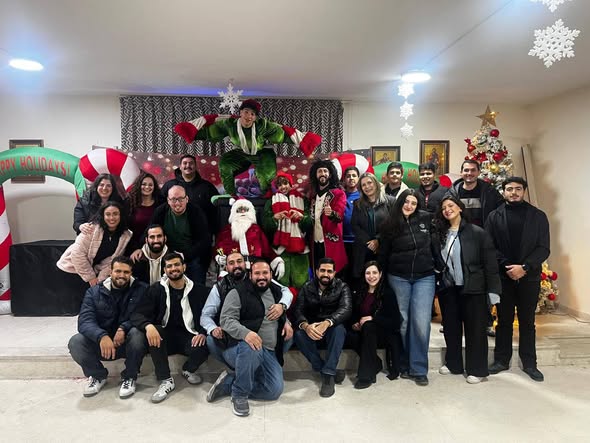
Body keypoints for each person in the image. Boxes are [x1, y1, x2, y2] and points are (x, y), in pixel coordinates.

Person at [175, 99, 321, 195]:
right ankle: (231, 195)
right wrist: (193, 133)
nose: (248, 116)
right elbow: (211, 132)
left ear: (255, 117)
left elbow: (282, 136)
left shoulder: (263, 126)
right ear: (240, 113)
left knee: (266, 175)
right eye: (246, 112)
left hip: (263, 152)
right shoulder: (229, 125)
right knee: (225, 163)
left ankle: (266, 197)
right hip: (242, 152)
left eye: (252, 114)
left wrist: (301, 141)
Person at [485, 177, 550, 382]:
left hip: (529, 277)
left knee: (527, 322)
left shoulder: (538, 216)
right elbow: (489, 246)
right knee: (503, 320)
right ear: (503, 192)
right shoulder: (494, 217)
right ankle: (501, 360)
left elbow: (544, 248)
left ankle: (530, 363)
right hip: (504, 277)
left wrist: (525, 267)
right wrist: (508, 266)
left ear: (524, 191)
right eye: (509, 189)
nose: (513, 192)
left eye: (518, 189)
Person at [206, 259, 288, 417]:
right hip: (241, 347)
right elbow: (226, 320)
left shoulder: (277, 292)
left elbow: (280, 312)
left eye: (265, 273)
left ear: (271, 275)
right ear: (250, 275)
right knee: (252, 347)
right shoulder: (237, 293)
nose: (261, 276)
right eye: (257, 273)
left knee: (274, 390)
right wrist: (246, 333)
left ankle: (229, 383)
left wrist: (287, 322)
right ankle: (239, 394)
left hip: (270, 350)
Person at [433, 195, 501, 384]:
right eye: (444, 208)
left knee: (476, 330)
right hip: (449, 289)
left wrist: (493, 290)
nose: (447, 210)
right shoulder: (440, 233)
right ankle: (453, 363)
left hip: (473, 288)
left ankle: (477, 369)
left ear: (460, 208)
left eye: (451, 206)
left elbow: (490, 263)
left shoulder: (477, 233)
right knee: (451, 328)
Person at [378, 189, 439, 386]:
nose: (409, 206)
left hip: (424, 277)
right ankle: (404, 363)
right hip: (398, 277)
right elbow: (384, 253)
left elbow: (435, 245)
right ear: (400, 202)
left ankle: (419, 368)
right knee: (403, 322)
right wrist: (380, 276)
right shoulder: (389, 223)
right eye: (406, 202)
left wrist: (439, 267)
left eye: (414, 203)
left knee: (421, 323)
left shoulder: (426, 219)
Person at [131, 252, 210, 403]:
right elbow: (138, 313)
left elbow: (210, 315)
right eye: (169, 266)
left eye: (177, 265)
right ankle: (166, 380)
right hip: (164, 336)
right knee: (155, 332)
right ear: (164, 270)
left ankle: (188, 369)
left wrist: (202, 332)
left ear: (184, 267)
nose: (173, 269)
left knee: (206, 344)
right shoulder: (156, 289)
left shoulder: (199, 290)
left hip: (189, 335)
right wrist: (148, 326)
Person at [68, 256, 148, 398]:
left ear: (131, 273)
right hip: (103, 344)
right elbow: (85, 321)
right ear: (110, 272)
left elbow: (144, 315)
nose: (122, 275)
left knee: (138, 334)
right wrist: (101, 336)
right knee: (76, 342)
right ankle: (98, 376)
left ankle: (130, 377)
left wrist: (123, 328)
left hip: (128, 343)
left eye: (126, 272)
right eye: (118, 271)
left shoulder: (142, 289)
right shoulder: (94, 292)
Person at [200, 251, 293, 364]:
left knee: (287, 335)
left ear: (245, 264)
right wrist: (213, 328)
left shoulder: (257, 276)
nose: (236, 265)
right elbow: (206, 315)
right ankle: (236, 369)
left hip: (259, 328)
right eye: (231, 263)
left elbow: (284, 291)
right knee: (211, 340)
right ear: (226, 267)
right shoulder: (219, 287)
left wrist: (283, 314)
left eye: (239, 261)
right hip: (233, 332)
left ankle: (266, 366)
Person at [450, 159, 504, 337]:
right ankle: (456, 321)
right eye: (466, 170)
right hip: (460, 241)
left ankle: (486, 321)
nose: (469, 173)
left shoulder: (489, 192)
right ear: (461, 172)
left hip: (482, 242)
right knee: (458, 281)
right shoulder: (453, 192)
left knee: (482, 283)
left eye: (473, 170)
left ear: (478, 172)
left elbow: (500, 214)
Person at [293, 258, 352, 397]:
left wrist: (327, 322)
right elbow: (298, 310)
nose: (326, 274)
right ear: (316, 271)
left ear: (334, 273)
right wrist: (306, 326)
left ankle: (328, 375)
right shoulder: (307, 287)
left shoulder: (342, 287)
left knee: (339, 330)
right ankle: (325, 371)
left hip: (331, 327)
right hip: (312, 328)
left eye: (329, 271)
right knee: (298, 335)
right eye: (323, 270)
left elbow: (346, 308)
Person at [348, 261, 402, 389]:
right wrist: (355, 323)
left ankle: (366, 376)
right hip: (366, 332)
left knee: (369, 326)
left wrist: (373, 318)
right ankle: (376, 363)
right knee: (348, 334)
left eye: (374, 273)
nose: (371, 276)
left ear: (380, 274)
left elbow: (395, 322)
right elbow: (354, 314)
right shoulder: (360, 292)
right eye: (368, 273)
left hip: (384, 333)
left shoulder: (388, 293)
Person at [58, 201, 132, 286]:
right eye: (108, 214)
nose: (112, 218)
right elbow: (77, 254)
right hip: (72, 270)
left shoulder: (126, 235)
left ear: (121, 215)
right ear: (103, 216)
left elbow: (112, 261)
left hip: (95, 273)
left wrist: (100, 279)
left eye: (115, 214)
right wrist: (90, 277)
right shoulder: (91, 228)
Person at [150, 185, 211, 285]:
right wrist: (139, 248)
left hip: (192, 255)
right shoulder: (160, 211)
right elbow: (150, 231)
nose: (177, 203)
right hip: (167, 255)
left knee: (197, 286)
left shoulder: (196, 212)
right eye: (173, 199)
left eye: (181, 199)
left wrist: (186, 255)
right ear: (168, 200)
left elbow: (205, 240)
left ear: (187, 199)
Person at [262, 171, 311, 294]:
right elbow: (265, 226)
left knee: (301, 283)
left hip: (300, 249)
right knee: (281, 284)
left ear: (290, 184)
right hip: (281, 249)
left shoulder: (303, 200)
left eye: (285, 183)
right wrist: (274, 218)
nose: (283, 187)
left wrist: (301, 217)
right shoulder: (270, 202)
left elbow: (310, 224)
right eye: (279, 185)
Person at [216, 198, 285, 279]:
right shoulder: (227, 230)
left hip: (255, 269)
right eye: (239, 210)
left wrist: (277, 261)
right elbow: (218, 248)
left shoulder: (256, 230)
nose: (242, 212)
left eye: (245, 210)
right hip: (235, 270)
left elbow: (267, 250)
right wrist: (219, 257)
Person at [351, 172, 395, 284]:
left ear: (376, 183)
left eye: (369, 183)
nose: (367, 187)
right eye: (363, 185)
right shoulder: (357, 204)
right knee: (363, 283)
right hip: (363, 249)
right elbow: (355, 225)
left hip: (384, 248)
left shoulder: (390, 201)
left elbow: (393, 225)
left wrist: (378, 240)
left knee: (383, 282)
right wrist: (370, 243)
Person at [309, 160, 348, 273]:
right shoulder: (313, 196)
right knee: (317, 272)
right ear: (315, 175)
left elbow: (340, 216)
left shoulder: (338, 193)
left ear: (330, 174)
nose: (322, 173)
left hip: (330, 241)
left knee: (332, 272)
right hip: (315, 242)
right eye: (319, 171)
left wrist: (331, 213)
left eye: (325, 171)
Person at [160, 154, 218, 230]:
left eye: (191, 163)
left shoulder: (207, 187)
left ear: (195, 167)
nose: (188, 165)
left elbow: (215, 211)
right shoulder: (169, 185)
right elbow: (160, 208)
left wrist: (213, 231)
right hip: (174, 231)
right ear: (180, 167)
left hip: (201, 231)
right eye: (185, 163)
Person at [126, 172, 164, 254]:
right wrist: (135, 249)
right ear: (139, 185)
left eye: (150, 185)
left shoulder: (160, 204)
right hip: (133, 248)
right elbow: (126, 229)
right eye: (144, 184)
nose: (147, 187)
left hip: (155, 246)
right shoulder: (129, 203)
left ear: (154, 187)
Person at [341, 166, 361, 285]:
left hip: (358, 241)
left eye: (354, 175)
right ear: (344, 179)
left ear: (358, 178)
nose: (351, 178)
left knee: (357, 274)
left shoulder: (363, 196)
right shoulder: (340, 195)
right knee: (344, 273)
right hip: (342, 241)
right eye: (348, 176)